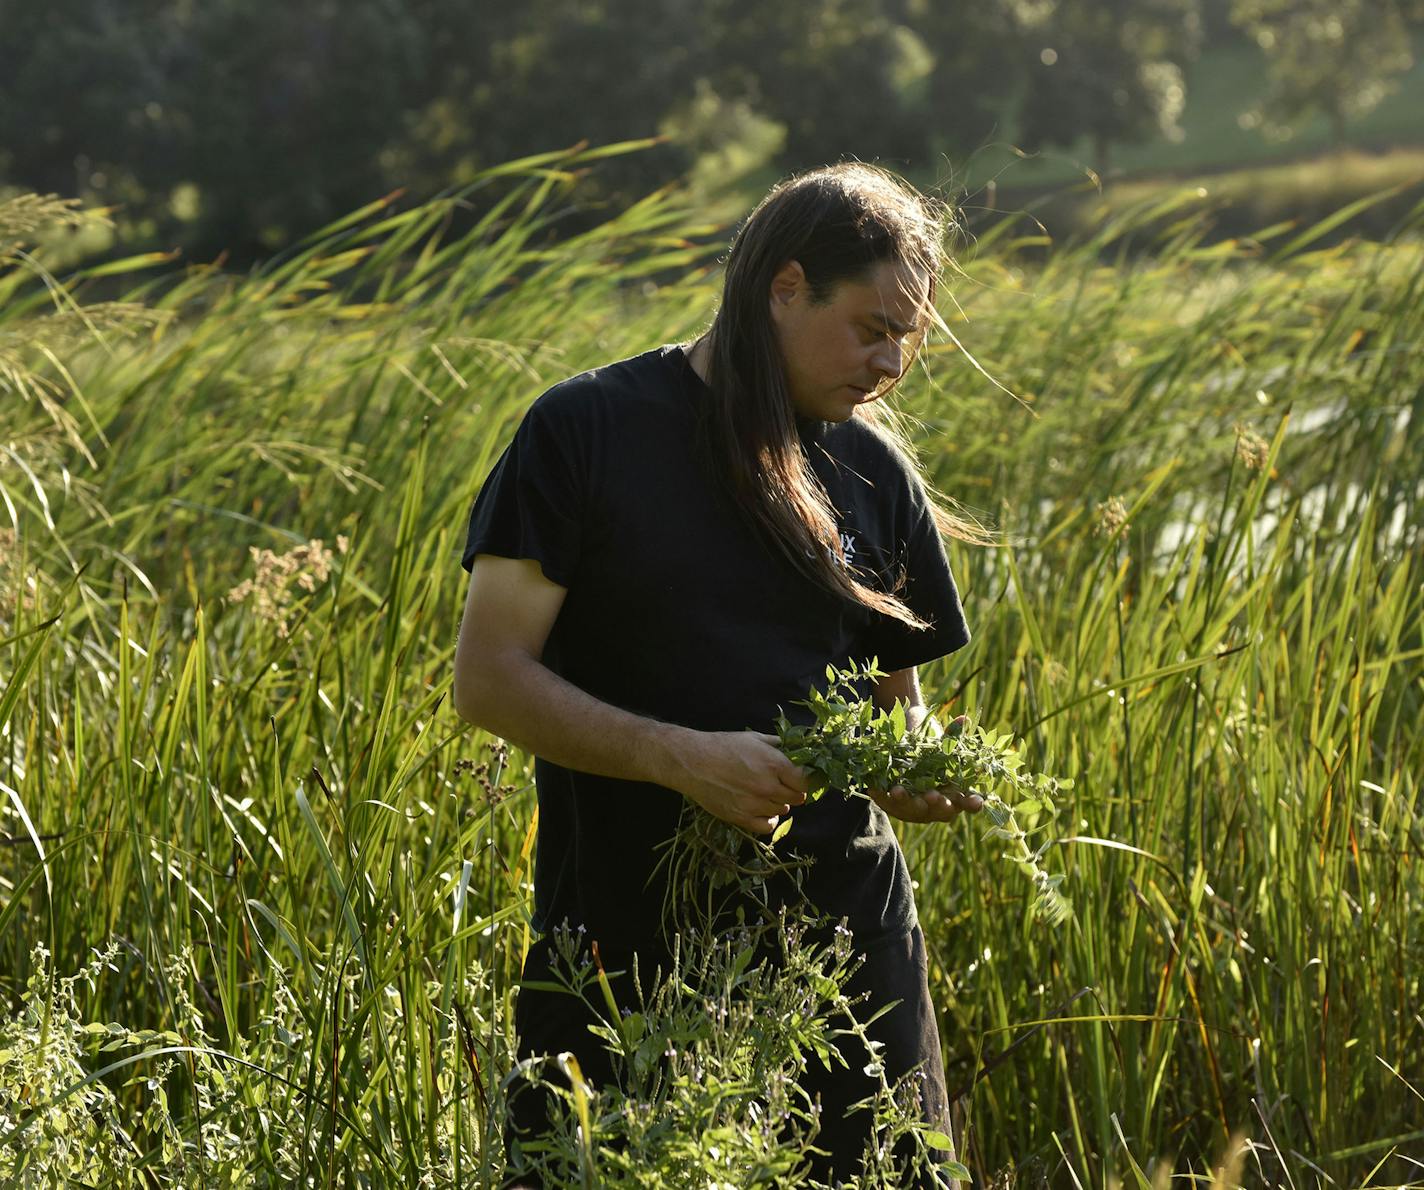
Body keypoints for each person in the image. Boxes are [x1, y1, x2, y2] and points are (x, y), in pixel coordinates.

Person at [453, 161, 986, 1185]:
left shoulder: (874, 474)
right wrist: (678, 757)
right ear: (782, 287)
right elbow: (487, 676)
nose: (890, 362)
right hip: (620, 937)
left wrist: (915, 773)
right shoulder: (585, 431)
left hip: (841, 944)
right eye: (871, 326)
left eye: (907, 337)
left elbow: (895, 717)